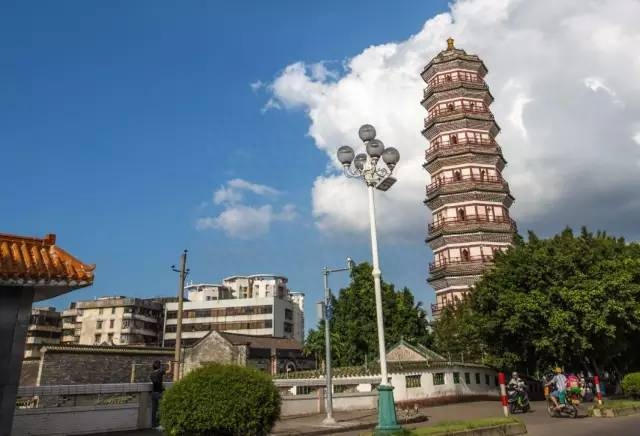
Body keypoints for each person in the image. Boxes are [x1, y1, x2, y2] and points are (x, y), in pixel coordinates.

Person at [150, 360, 172, 429]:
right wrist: (170, 364)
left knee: (154, 410)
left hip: (153, 393)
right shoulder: (160, 371)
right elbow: (169, 371)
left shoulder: (151, 374)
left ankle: (153, 425)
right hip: (159, 393)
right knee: (163, 407)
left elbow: (157, 382)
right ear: (159, 366)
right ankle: (162, 424)